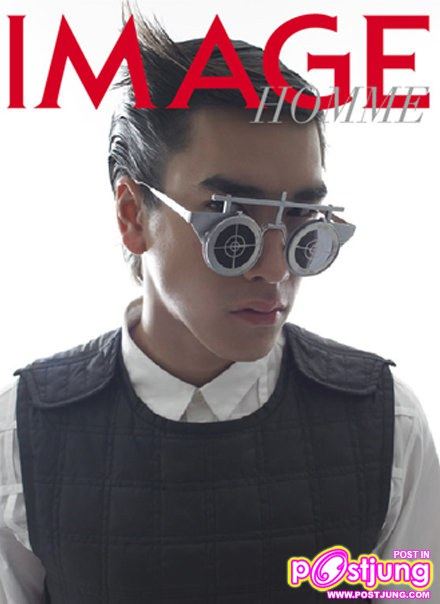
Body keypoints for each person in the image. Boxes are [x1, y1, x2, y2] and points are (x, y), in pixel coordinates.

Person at [0, 11, 439, 604]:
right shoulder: (18, 440)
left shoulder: (391, 428)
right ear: (133, 215)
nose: (274, 268)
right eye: (232, 224)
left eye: (301, 220)